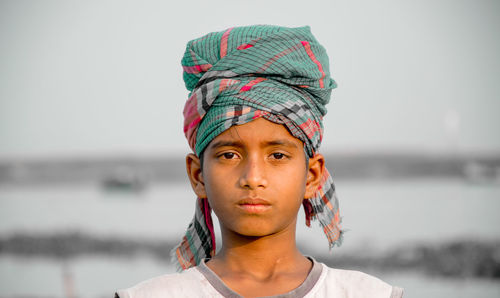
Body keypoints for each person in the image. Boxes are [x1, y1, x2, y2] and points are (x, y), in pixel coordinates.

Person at [115, 24, 404, 298]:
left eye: (277, 155)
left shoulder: (368, 294)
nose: (253, 177)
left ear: (312, 176)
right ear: (198, 175)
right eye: (229, 155)